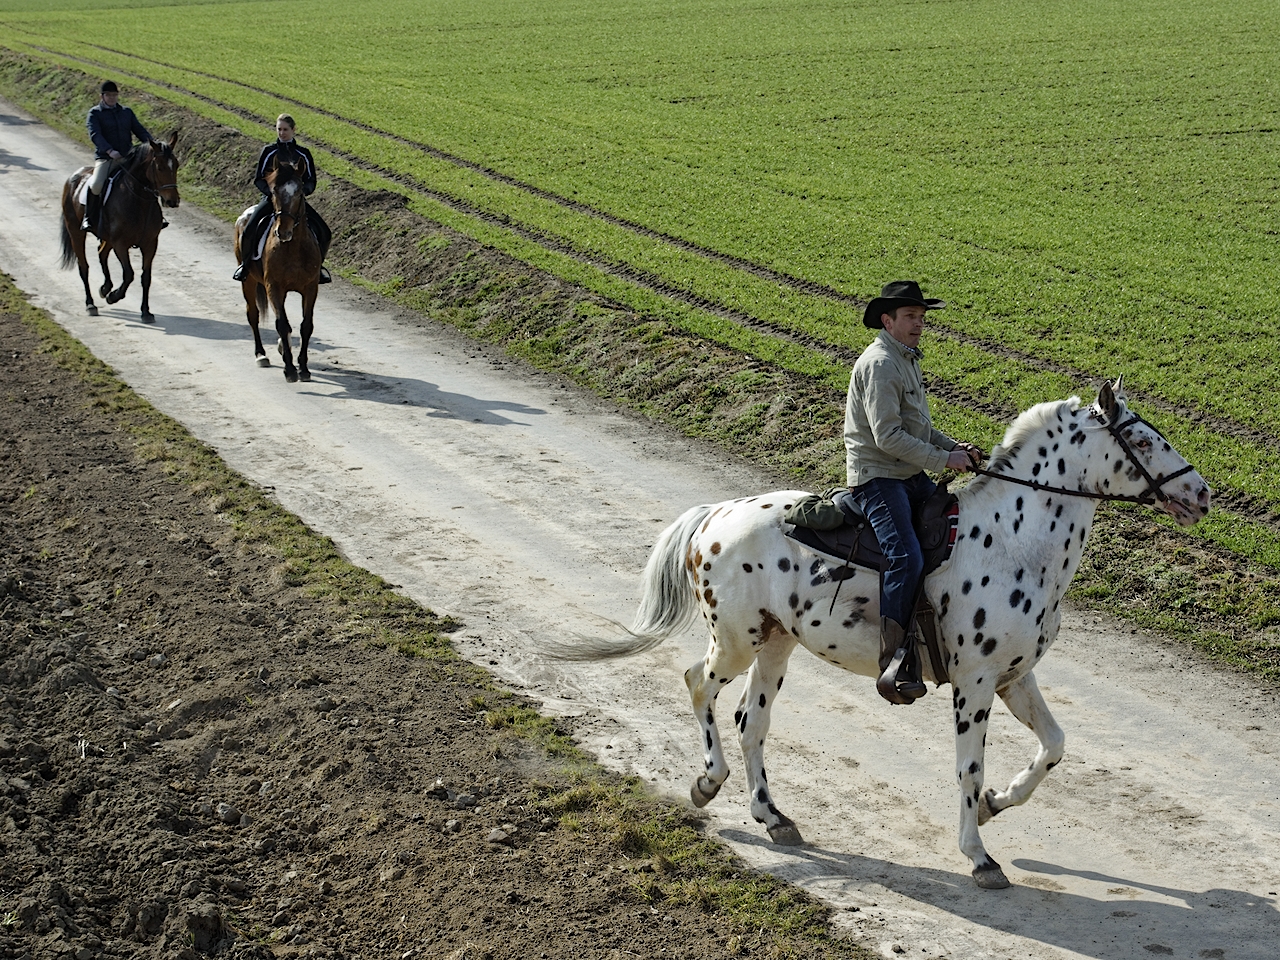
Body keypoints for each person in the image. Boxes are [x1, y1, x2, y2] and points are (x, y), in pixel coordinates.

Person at [841, 280, 982, 704]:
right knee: (907, 556)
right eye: (910, 317)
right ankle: (895, 658)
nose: (919, 324)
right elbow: (887, 437)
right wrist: (944, 461)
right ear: (888, 320)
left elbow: (918, 428)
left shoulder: (906, 359)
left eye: (922, 317)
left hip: (906, 472)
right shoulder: (882, 363)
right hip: (879, 476)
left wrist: (952, 447)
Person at [233, 114, 331, 283]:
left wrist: (299, 194)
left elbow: (311, 180)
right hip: (272, 201)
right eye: (279, 129)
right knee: (249, 230)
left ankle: (318, 268)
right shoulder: (269, 151)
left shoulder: (303, 153)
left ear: (293, 130)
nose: (282, 133)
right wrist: (273, 195)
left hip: (295, 203)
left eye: (285, 129)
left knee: (325, 231)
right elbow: (258, 179)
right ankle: (246, 266)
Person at [84, 81, 157, 234]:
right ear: (102, 96)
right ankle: (89, 218)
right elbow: (95, 135)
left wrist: (152, 145)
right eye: (109, 95)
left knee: (149, 179)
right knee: (97, 184)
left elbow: (139, 130)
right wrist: (109, 151)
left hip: (127, 157)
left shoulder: (126, 112)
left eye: (114, 95)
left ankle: (156, 218)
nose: (112, 98)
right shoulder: (95, 114)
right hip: (106, 158)